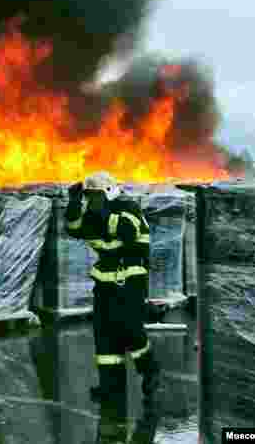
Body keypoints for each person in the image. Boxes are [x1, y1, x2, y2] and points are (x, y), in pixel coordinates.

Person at [64, 171, 160, 404]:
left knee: (131, 330)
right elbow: (74, 228)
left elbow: (125, 232)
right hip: (105, 281)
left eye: (95, 196)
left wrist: (96, 214)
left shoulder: (128, 208)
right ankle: (111, 386)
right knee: (104, 334)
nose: (91, 201)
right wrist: (74, 202)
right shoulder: (94, 212)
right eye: (89, 197)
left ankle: (150, 371)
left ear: (109, 192)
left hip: (130, 280)